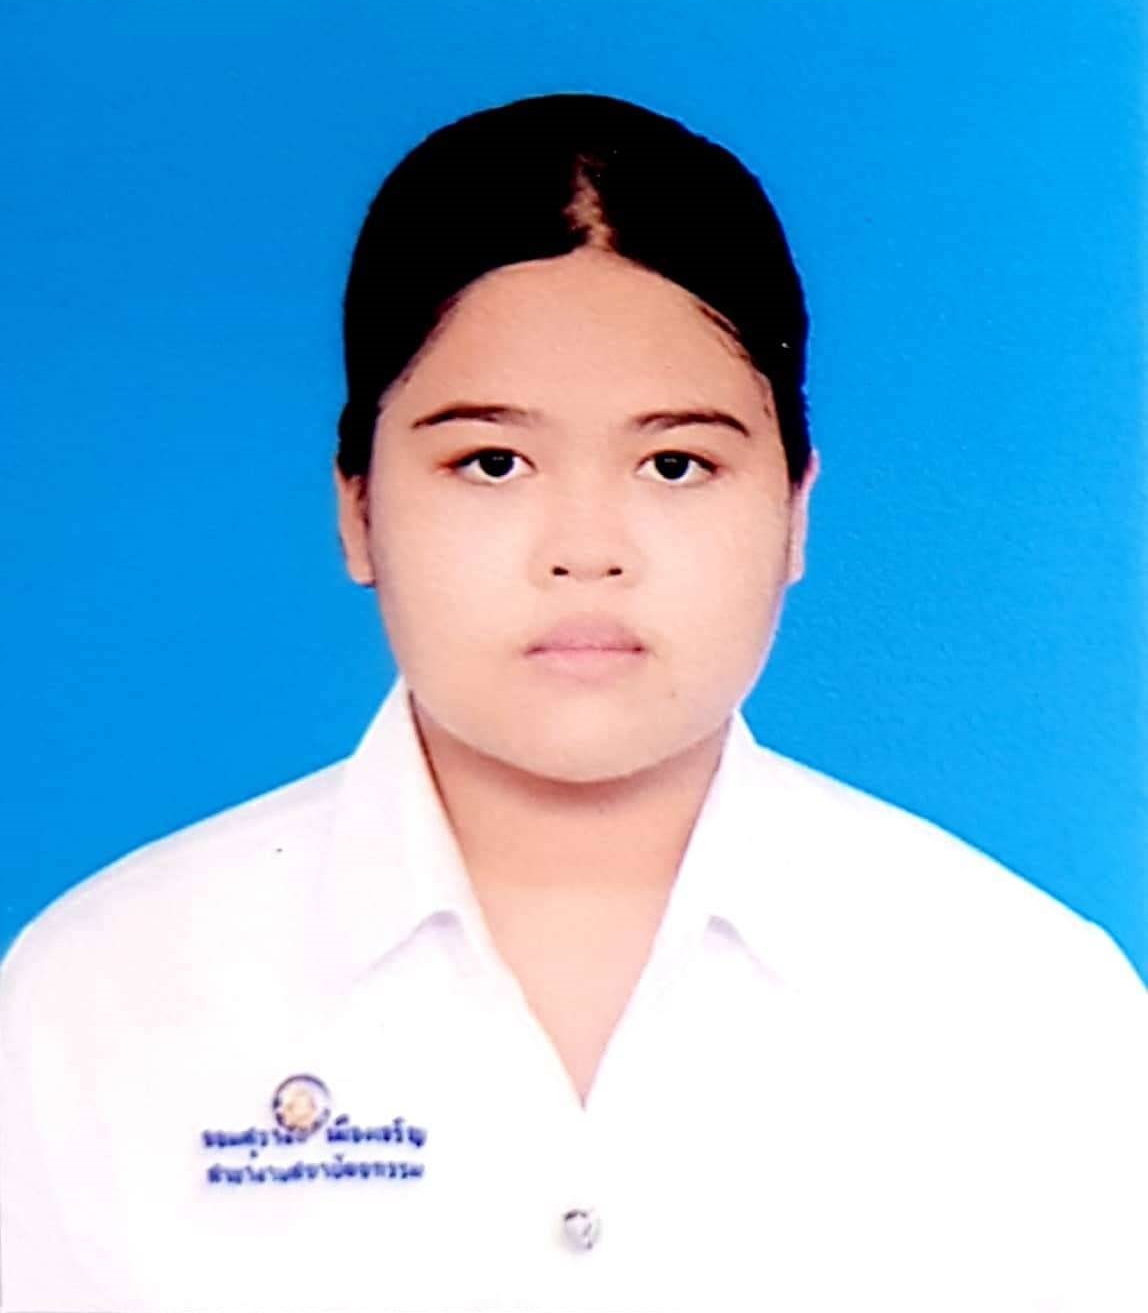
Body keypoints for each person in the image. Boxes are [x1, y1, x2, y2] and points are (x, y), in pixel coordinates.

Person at [1, 93, 1144, 1313]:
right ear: (357, 507)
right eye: (491, 462)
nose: (585, 549)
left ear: (794, 509)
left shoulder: (1030, 1004)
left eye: (674, 464)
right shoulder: (99, 998)